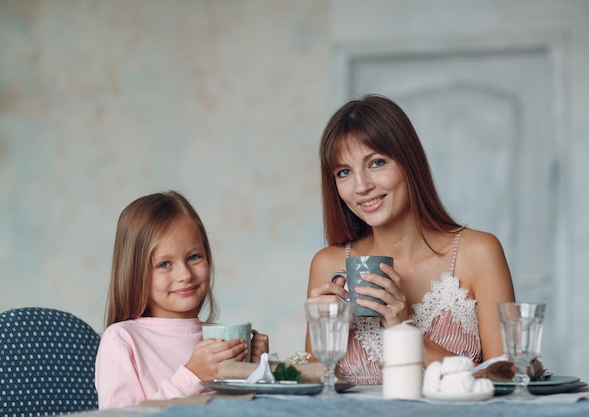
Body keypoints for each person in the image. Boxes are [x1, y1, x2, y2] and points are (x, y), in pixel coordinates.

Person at [305, 95, 515, 385]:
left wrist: (406, 332)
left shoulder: (478, 253)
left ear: (409, 163)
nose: (362, 186)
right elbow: (313, 389)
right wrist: (324, 333)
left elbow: (508, 381)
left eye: (377, 162)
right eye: (344, 172)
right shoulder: (328, 263)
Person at [96, 191, 269, 408]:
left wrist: (257, 372)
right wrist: (193, 375)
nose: (185, 275)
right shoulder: (122, 340)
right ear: (135, 273)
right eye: (164, 264)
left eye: (194, 257)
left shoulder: (218, 340)